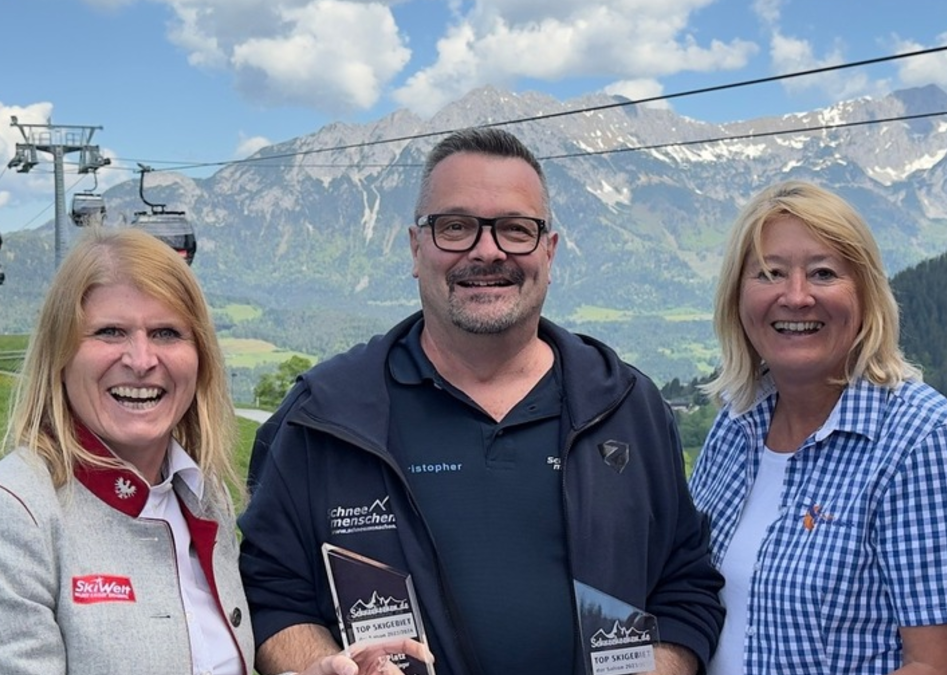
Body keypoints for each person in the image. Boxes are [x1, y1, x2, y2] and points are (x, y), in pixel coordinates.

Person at [239, 127, 724, 675]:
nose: (487, 250)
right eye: (456, 227)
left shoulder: (627, 406)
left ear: (550, 250)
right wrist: (316, 666)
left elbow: (685, 582)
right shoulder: (325, 415)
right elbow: (271, 594)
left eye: (516, 229)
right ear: (416, 248)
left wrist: (658, 668)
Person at [0, 227, 410, 675]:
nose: (140, 360)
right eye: (109, 332)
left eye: (166, 333)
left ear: (200, 358)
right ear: (61, 355)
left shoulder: (203, 497)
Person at [688, 180, 947, 675]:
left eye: (823, 273)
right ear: (737, 297)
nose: (795, 297)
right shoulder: (736, 424)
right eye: (770, 273)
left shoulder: (928, 444)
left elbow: (939, 668)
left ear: (866, 295)